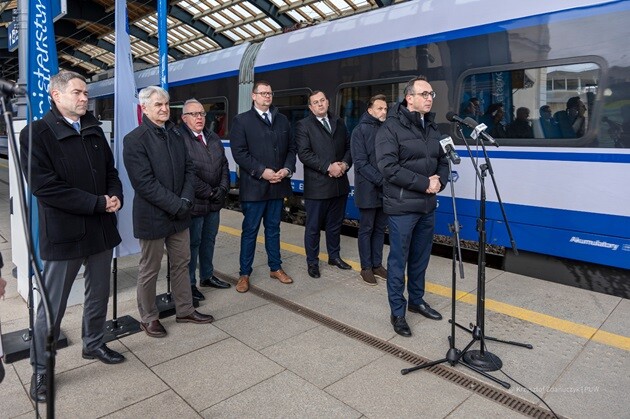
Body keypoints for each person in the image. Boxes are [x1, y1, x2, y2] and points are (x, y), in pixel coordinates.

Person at [19, 71, 125, 402]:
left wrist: (115, 194)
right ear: (56, 95)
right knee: (52, 307)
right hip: (65, 234)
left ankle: (93, 343)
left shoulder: (93, 128)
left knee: (99, 294)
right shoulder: (36, 134)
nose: (84, 98)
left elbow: (111, 171)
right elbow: (45, 187)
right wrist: (97, 203)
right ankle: (41, 370)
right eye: (78, 92)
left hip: (100, 230)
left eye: (86, 93)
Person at [123, 86, 214, 339]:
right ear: (144, 109)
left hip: (179, 215)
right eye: (157, 105)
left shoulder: (175, 135)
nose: (164, 109)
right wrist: (177, 204)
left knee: (181, 264)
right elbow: (144, 183)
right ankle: (149, 317)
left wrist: (185, 199)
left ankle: (185, 309)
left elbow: (189, 170)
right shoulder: (134, 139)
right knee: (150, 269)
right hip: (153, 216)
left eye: (166, 104)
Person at [375, 76, 449, 337]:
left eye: (431, 94)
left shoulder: (431, 127)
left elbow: (444, 159)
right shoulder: (390, 129)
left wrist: (440, 180)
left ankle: (417, 301)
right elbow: (388, 168)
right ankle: (398, 311)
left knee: (420, 259)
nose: (429, 98)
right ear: (410, 98)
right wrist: (423, 183)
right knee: (398, 260)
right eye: (424, 94)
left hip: (427, 206)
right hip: (403, 207)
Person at [229, 81, 297, 293]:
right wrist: (262, 171)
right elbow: (239, 153)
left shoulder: (283, 120)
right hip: (255, 186)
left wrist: (286, 169)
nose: (267, 96)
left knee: (274, 229)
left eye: (270, 93)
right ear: (254, 96)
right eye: (263, 93)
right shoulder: (242, 121)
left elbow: (291, 149)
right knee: (250, 231)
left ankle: (275, 268)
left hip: (278, 185)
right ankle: (244, 273)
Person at [296, 91, 352, 278]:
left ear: (327, 102)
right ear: (311, 108)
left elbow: (349, 148)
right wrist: (329, 167)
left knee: (335, 225)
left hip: (339, 184)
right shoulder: (304, 126)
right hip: (318, 185)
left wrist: (344, 164)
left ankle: (333, 256)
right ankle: (312, 262)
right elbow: (304, 154)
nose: (319, 104)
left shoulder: (339, 122)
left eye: (322, 101)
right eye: (315, 103)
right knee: (313, 227)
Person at [180, 99, 232, 302]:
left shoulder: (212, 137)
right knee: (193, 243)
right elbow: (187, 174)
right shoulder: (180, 139)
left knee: (209, 240)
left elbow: (225, 165)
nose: (200, 118)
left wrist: (223, 188)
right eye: (194, 114)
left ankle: (207, 276)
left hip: (214, 201)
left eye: (202, 114)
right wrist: (209, 192)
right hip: (196, 202)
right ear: (184, 118)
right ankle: (190, 284)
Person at [350, 94, 389, 285]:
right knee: (366, 228)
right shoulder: (360, 131)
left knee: (380, 228)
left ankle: (377, 264)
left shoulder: (387, 129)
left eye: (385, 109)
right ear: (370, 110)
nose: (383, 112)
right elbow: (360, 163)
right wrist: (381, 180)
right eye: (380, 108)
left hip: (384, 189)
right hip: (368, 188)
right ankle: (366, 267)